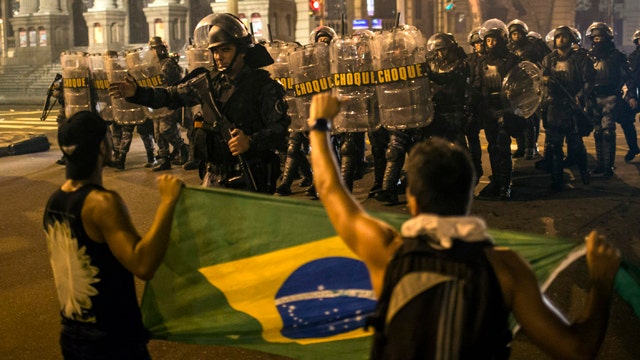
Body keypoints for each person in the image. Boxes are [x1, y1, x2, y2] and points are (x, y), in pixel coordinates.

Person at [307, 92, 620, 359]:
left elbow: (329, 186)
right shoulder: (506, 268)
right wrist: (601, 281)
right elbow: (577, 349)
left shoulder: (388, 251)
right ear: (468, 195)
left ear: (413, 200)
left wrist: (320, 125)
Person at [43, 111, 183, 359]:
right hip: (111, 343)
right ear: (102, 147)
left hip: (73, 335)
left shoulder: (55, 201)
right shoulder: (102, 204)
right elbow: (142, 264)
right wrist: (168, 202)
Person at [110, 14, 289, 193]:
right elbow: (170, 95)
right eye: (215, 51)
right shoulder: (207, 83)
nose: (218, 56)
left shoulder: (263, 86)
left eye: (225, 50)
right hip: (214, 177)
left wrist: (251, 141)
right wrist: (138, 93)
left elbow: (281, 128)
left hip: (250, 175)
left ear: (242, 51)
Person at [540, 26, 595, 191]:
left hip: (573, 104)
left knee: (576, 142)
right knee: (554, 144)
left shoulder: (581, 58)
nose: (560, 40)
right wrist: (545, 81)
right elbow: (541, 80)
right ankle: (557, 180)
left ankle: (584, 171)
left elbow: (589, 81)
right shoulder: (548, 59)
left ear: (571, 40)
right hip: (555, 104)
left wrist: (580, 95)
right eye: (558, 37)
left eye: (564, 37)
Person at [473, 19, 521, 200]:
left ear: (502, 40)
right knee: (493, 147)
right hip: (488, 108)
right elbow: (478, 85)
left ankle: (505, 185)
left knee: (502, 146)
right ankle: (496, 183)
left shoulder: (512, 60)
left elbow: (519, 86)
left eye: (494, 40)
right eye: (488, 40)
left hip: (505, 108)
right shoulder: (482, 62)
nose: (491, 43)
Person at [586, 22, 638, 177]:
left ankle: (608, 167)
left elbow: (627, 77)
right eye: (595, 38)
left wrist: (625, 94)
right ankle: (600, 165)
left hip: (611, 96)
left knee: (608, 132)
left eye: (601, 37)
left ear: (607, 38)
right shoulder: (588, 57)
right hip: (594, 97)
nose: (598, 40)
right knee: (598, 133)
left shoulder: (617, 56)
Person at [146, 37, 189, 172]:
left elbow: (169, 82)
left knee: (166, 129)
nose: (154, 52)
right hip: (157, 103)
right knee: (157, 132)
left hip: (169, 101)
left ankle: (183, 148)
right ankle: (164, 159)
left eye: (156, 48)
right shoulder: (153, 65)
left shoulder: (168, 63)